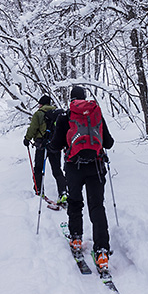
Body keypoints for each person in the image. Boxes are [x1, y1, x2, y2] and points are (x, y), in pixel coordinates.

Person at [50, 86, 114, 273]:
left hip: (73, 168)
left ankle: (76, 239)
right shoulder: (96, 113)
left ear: (71, 99)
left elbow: (55, 145)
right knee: (97, 207)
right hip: (96, 166)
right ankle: (101, 252)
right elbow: (109, 143)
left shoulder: (65, 116)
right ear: (85, 98)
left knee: (75, 202)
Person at [23, 95, 67, 204]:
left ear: (41, 104)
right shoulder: (58, 114)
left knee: (38, 168)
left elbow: (33, 128)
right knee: (57, 169)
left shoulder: (39, 113)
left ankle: (39, 191)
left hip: (41, 145)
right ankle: (63, 192)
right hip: (55, 145)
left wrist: (27, 139)